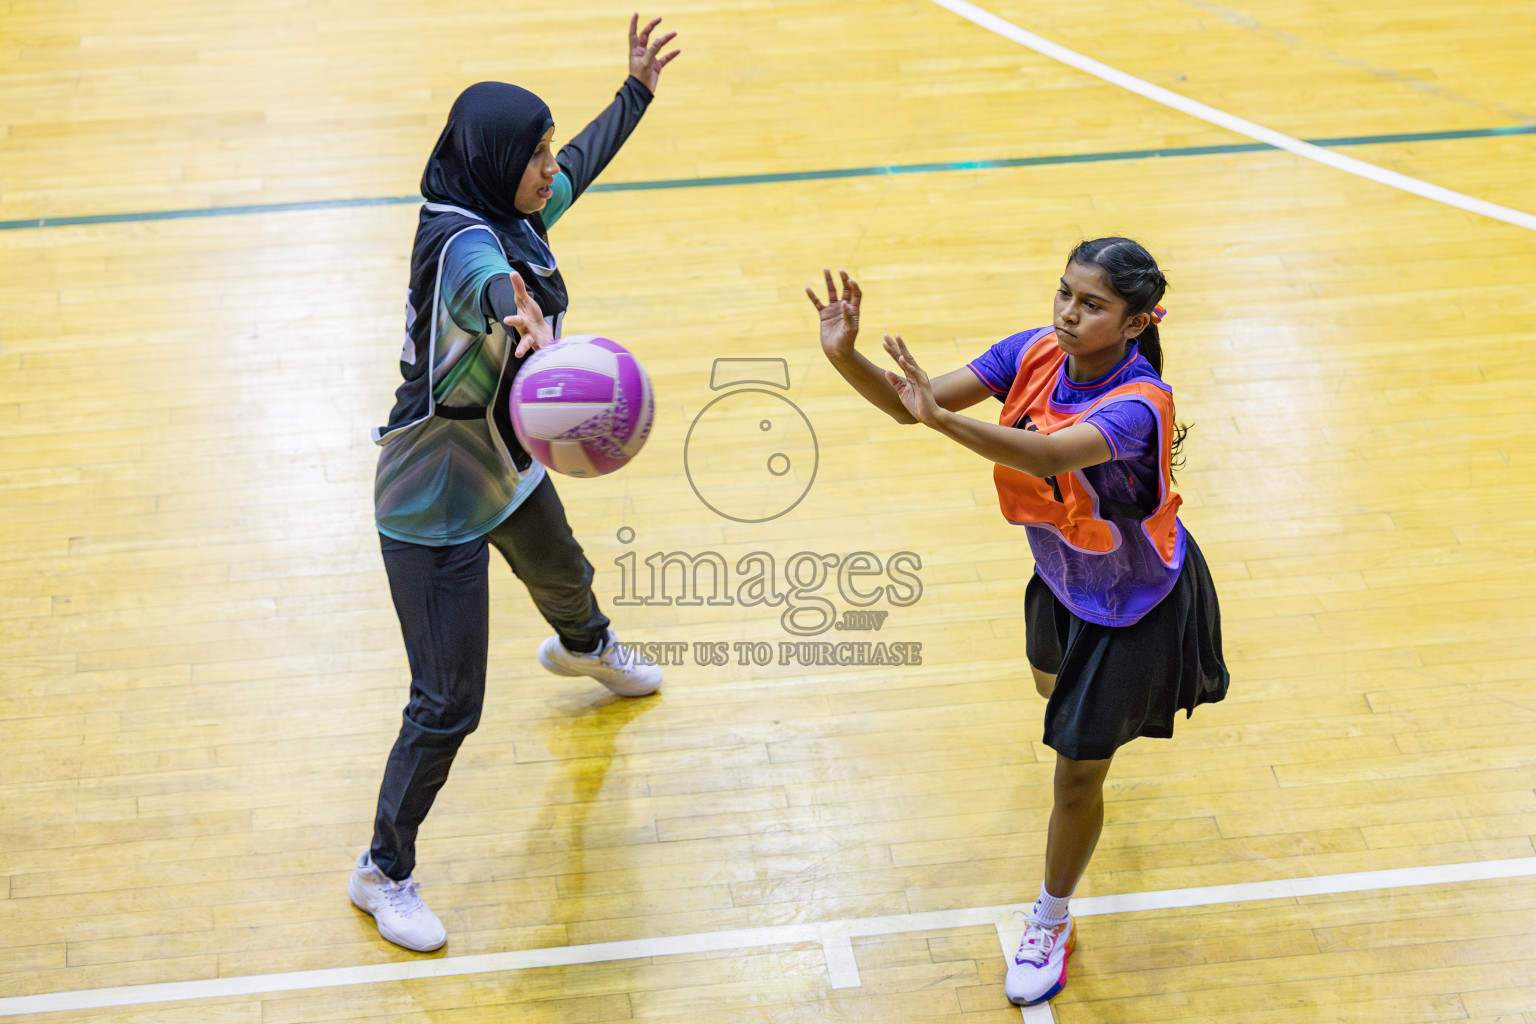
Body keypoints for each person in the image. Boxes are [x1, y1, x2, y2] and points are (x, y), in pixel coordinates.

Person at [806, 238, 1228, 1006]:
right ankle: (1092, 753)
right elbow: (917, 403)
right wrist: (847, 357)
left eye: (1092, 304)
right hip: (1063, 577)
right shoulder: (1033, 351)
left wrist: (937, 420)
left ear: (1135, 323)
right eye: (1065, 293)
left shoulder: (1140, 405)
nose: (1068, 313)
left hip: (1133, 602)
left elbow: (1044, 456)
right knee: (1054, 701)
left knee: (1074, 773)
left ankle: (1052, 917)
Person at [349, 15, 682, 953]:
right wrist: (524, 325)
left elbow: (580, 161)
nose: (548, 167)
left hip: (502, 466)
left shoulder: (513, 205)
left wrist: (636, 94)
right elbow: (490, 283)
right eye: (533, 156)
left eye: (542, 154)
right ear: (496, 163)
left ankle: (589, 650)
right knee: (448, 701)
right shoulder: (465, 247)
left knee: (565, 574)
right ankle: (382, 871)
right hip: (428, 503)